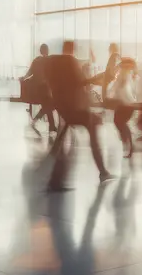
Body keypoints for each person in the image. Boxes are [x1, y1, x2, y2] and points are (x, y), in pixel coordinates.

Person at [46, 40, 112, 181]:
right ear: (73, 49)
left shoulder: (53, 63)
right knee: (94, 126)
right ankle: (103, 171)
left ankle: (56, 175)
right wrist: (96, 78)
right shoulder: (70, 61)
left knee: (66, 133)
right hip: (74, 110)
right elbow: (80, 82)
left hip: (64, 108)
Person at [108, 56, 138, 158]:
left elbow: (117, 88)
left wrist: (109, 96)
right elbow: (117, 88)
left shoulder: (125, 75)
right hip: (124, 105)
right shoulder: (125, 75)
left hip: (126, 105)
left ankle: (128, 144)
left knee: (120, 123)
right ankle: (128, 144)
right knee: (119, 123)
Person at [23, 43, 56, 134]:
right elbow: (51, 75)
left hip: (37, 88)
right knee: (49, 105)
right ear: (47, 51)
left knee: (47, 106)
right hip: (44, 88)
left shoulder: (37, 60)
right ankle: (50, 126)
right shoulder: (48, 61)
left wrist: (24, 78)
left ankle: (43, 123)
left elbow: (30, 72)